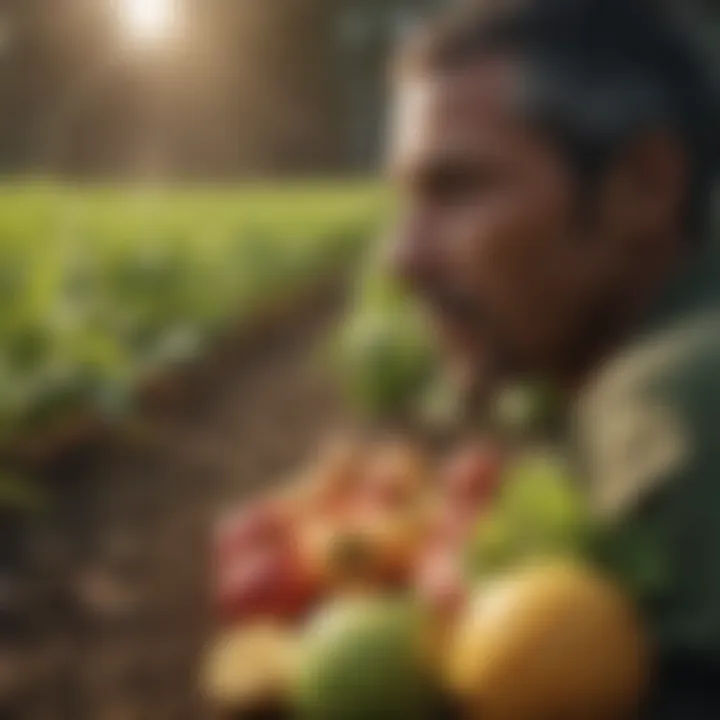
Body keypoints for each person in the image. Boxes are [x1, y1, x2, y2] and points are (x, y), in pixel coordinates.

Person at [388, 0, 720, 716]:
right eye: (409, 201)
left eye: (457, 189)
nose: (401, 259)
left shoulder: (673, 412)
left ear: (644, 186)